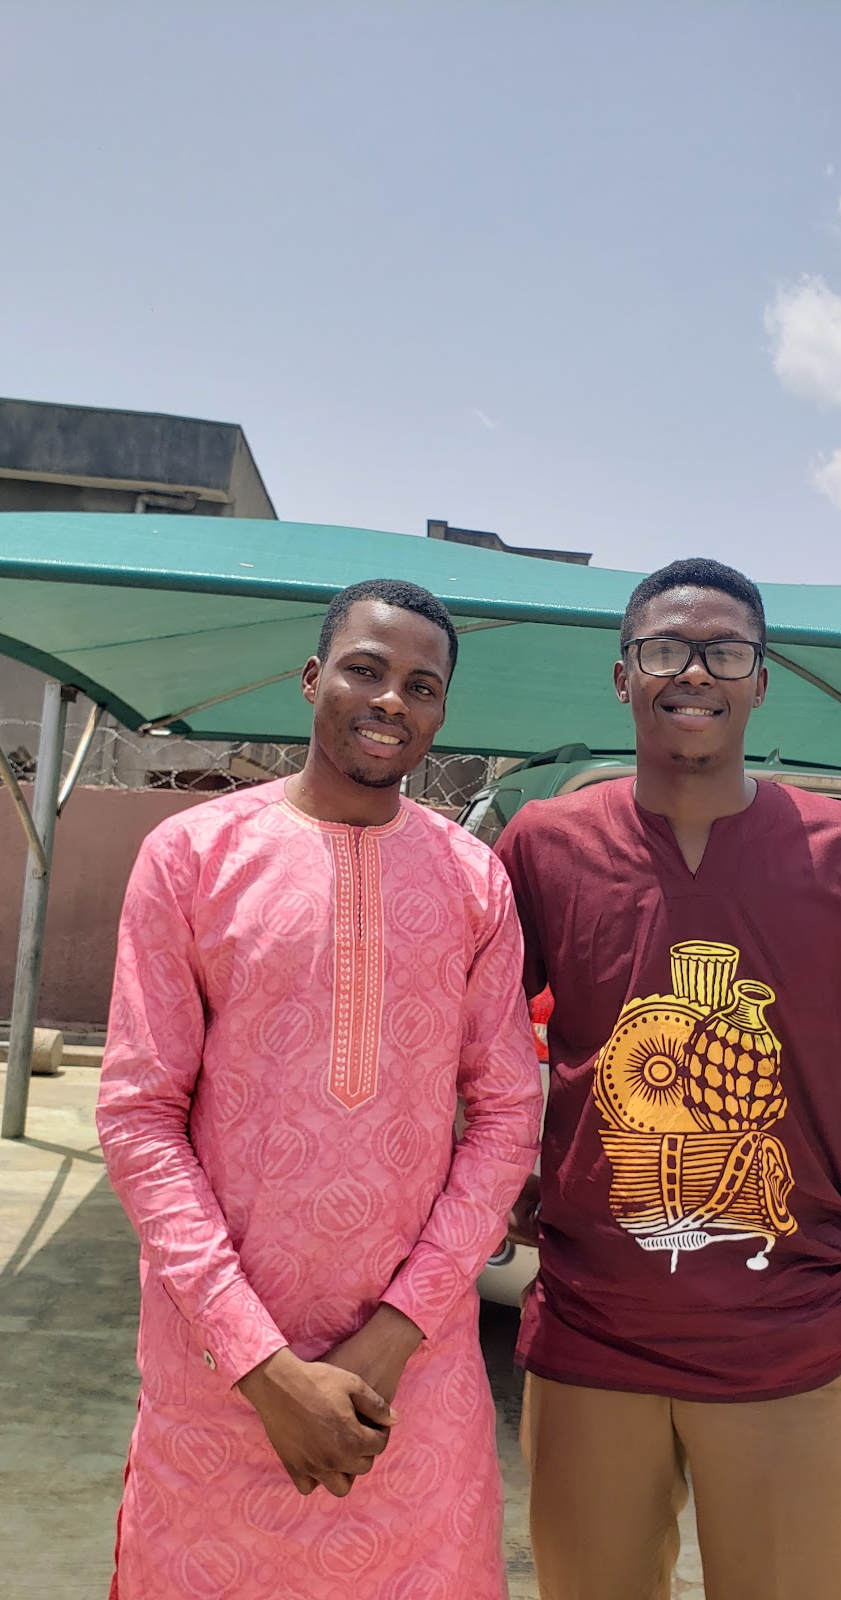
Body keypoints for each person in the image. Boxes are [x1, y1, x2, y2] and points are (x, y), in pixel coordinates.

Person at [496, 557, 841, 1600]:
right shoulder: (546, 845)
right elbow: (471, 1018)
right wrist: (496, 1158)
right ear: (623, 675)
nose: (694, 671)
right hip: (593, 1327)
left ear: (761, 680)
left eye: (725, 651)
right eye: (665, 649)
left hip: (794, 1334)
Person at [97, 577, 542, 1600]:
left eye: (421, 685)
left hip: (411, 1383)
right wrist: (262, 1365)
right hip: (217, 1380)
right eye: (365, 670)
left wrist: (395, 1336)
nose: (391, 701)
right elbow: (139, 1114)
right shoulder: (193, 858)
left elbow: (508, 1114)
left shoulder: (473, 881)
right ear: (312, 679)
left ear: (441, 712)